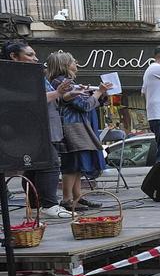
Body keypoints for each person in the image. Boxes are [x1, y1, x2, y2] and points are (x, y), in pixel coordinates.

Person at [3, 40, 79, 218]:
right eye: (29, 55)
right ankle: (48, 204)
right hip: (25, 127)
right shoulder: (12, 76)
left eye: (35, 54)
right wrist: (59, 93)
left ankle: (36, 205)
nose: (35, 59)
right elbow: (30, 99)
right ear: (14, 56)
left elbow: (50, 98)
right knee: (49, 163)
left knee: (34, 166)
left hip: (38, 125)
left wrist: (66, 95)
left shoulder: (34, 74)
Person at [45, 51, 110, 210]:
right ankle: (67, 199)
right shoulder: (62, 82)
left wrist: (93, 94)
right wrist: (99, 91)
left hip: (74, 126)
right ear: (65, 65)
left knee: (77, 164)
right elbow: (84, 105)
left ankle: (77, 198)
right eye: (74, 61)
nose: (77, 64)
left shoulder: (60, 81)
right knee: (72, 163)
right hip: (71, 126)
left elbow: (83, 101)